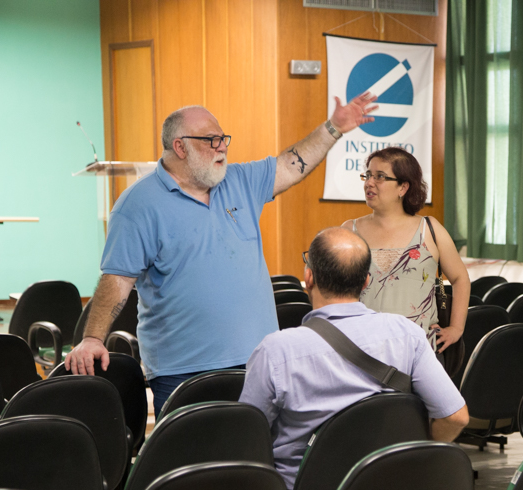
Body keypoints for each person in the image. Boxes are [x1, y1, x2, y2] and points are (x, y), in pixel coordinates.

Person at [64, 96, 376, 416]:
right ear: (180, 147)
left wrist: (334, 127)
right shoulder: (137, 206)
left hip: (259, 362)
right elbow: (117, 279)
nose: (222, 147)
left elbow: (291, 164)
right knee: (193, 460)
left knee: (256, 457)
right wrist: (92, 337)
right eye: (211, 140)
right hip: (183, 372)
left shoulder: (239, 181)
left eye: (222, 139)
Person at [239, 227, 469, 490]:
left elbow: (248, 439)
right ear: (366, 282)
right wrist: (415, 451)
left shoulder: (275, 351)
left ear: (308, 277)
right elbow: (456, 417)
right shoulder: (407, 335)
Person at [341, 147, 470, 355]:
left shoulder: (429, 229)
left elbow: (460, 278)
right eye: (368, 175)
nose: (369, 183)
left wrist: (456, 328)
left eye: (380, 177)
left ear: (403, 187)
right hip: (362, 350)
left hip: (418, 353)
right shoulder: (349, 230)